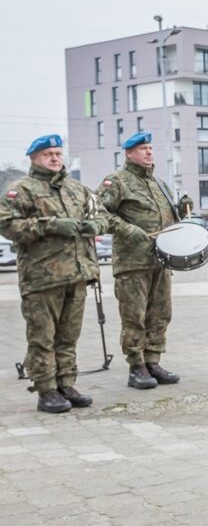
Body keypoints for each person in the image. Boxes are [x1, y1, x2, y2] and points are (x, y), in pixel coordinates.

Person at [0, 134, 108, 413]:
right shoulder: (22, 190)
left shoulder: (76, 188)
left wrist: (96, 225)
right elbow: (6, 224)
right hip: (42, 277)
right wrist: (50, 225)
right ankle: (46, 389)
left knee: (68, 336)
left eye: (58, 154)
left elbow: (101, 214)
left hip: (77, 273)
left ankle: (66, 383)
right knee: (42, 337)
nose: (55, 158)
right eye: (48, 154)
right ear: (34, 158)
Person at [97, 131, 181, 390]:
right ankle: (136, 367)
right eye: (143, 148)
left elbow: (171, 218)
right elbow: (98, 212)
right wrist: (127, 229)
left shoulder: (159, 184)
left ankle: (152, 361)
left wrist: (181, 208)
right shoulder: (117, 181)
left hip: (160, 260)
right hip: (132, 263)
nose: (149, 152)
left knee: (160, 313)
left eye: (151, 148)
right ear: (129, 153)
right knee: (134, 316)